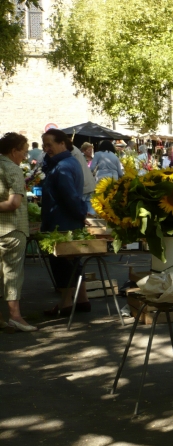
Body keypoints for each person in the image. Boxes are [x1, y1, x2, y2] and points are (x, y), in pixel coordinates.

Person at [40, 129, 90, 317]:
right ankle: (83, 300)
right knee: (74, 262)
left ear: (62, 144)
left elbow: (69, 196)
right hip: (67, 221)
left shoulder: (63, 166)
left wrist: (81, 213)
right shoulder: (69, 162)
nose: (46, 149)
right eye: (44, 145)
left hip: (61, 223)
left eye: (49, 145)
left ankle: (66, 303)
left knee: (62, 263)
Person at [0, 133, 36, 331]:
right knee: (12, 274)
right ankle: (15, 317)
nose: (24, 155)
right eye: (23, 150)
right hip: (11, 229)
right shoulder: (12, 169)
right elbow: (14, 203)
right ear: (14, 151)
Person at [70, 144, 95, 215]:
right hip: (89, 184)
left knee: (82, 212)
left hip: (83, 185)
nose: (90, 152)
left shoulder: (71, 152)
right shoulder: (77, 152)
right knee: (90, 213)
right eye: (89, 150)